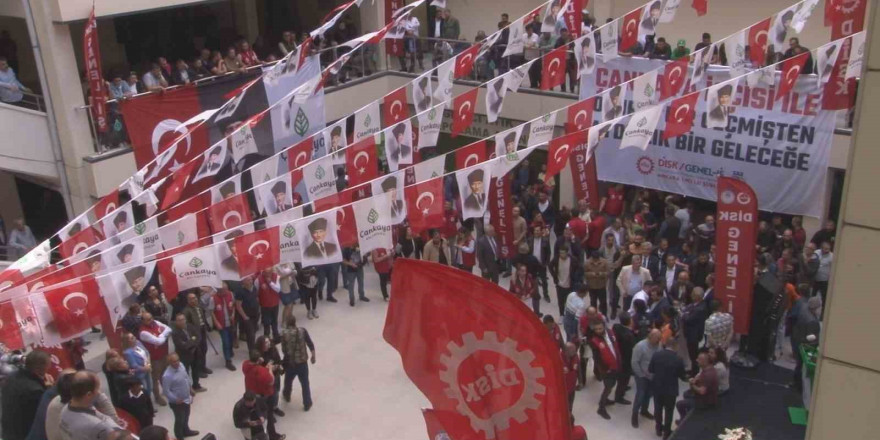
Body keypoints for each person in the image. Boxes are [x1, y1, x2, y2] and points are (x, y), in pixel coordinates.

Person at [1, 349, 51, 440]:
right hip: (24, 434)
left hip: (8, 431)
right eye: (48, 365)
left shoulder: (12, 376)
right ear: (41, 368)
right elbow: (43, 415)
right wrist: (49, 390)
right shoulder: (35, 391)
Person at [58, 372, 121, 440]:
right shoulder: (97, 426)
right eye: (97, 388)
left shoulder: (64, 410)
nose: (99, 392)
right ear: (88, 395)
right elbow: (114, 427)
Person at [242, 350, 285, 440]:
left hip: (251, 393)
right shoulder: (261, 371)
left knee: (254, 415)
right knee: (267, 414)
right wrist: (269, 369)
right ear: (258, 360)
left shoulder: (245, 365)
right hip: (262, 396)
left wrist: (262, 366)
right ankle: (273, 436)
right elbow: (271, 381)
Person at [649, 338, 687, 439]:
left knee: (658, 409)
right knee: (669, 411)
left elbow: (650, 369)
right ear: (675, 346)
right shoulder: (678, 359)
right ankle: (666, 433)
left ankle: (658, 429)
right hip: (670, 390)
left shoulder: (656, 355)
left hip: (657, 388)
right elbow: (682, 376)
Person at [586, 319, 622, 420]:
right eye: (596, 329)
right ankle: (601, 407)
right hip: (607, 370)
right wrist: (605, 370)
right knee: (608, 387)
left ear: (604, 327)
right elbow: (597, 358)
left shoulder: (610, 333)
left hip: (616, 365)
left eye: (600, 328)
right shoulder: (594, 341)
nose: (598, 330)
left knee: (612, 385)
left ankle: (605, 400)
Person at [281, 316, 315, 411]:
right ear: (295, 322)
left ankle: (287, 395)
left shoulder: (284, 334)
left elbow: (284, 349)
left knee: (288, 380)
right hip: (302, 363)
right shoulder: (302, 331)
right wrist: (313, 356)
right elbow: (310, 343)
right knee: (305, 383)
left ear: (287, 323)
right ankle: (307, 403)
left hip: (291, 363)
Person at [138, 312, 172, 406]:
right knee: (155, 378)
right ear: (143, 321)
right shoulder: (143, 332)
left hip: (164, 354)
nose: (151, 320)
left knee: (165, 375)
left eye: (151, 317)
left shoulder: (156, 322)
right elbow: (158, 342)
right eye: (148, 319)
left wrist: (161, 336)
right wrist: (163, 335)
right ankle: (157, 397)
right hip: (154, 358)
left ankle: (166, 391)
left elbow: (169, 329)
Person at [162, 353, 198, 439]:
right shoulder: (167, 376)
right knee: (179, 420)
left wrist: (190, 388)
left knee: (186, 415)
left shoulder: (181, 366)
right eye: (174, 361)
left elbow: (186, 377)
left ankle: (186, 431)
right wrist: (175, 399)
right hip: (177, 402)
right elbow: (166, 391)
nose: (177, 363)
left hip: (186, 398)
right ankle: (179, 436)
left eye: (178, 360)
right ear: (169, 363)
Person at [675, 352, 719, 420]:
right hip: (705, 397)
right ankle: (689, 414)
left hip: (705, 401)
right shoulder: (709, 369)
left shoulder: (708, 375)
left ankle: (683, 420)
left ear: (704, 362)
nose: (696, 360)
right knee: (686, 394)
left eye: (699, 359)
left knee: (679, 404)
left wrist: (692, 384)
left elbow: (702, 391)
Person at [631, 329, 661, 428]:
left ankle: (644, 411)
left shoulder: (658, 345)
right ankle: (634, 414)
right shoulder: (640, 346)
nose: (658, 341)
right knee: (640, 395)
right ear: (650, 336)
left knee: (648, 394)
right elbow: (634, 362)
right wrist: (641, 375)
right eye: (657, 338)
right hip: (642, 376)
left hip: (653, 376)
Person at [792, 296, 822, 390]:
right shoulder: (812, 322)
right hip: (804, 346)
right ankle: (799, 387)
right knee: (803, 368)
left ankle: (795, 383)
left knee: (798, 365)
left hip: (797, 340)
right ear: (815, 308)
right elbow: (812, 340)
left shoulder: (804, 308)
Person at [171, 313, 206, 392]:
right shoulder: (175, 333)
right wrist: (192, 341)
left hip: (195, 353)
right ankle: (188, 389)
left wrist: (191, 342)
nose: (182, 322)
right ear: (176, 322)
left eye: (183, 319)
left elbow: (198, 336)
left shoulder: (190, 326)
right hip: (184, 356)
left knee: (195, 370)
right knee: (185, 373)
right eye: (179, 320)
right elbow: (182, 345)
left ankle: (196, 386)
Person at [182, 293, 212, 378]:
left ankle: (203, 367)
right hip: (195, 334)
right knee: (198, 352)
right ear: (188, 300)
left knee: (204, 349)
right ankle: (198, 370)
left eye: (195, 298)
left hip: (202, 330)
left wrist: (207, 326)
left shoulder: (199, 307)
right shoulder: (186, 311)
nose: (194, 300)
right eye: (191, 299)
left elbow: (203, 318)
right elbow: (187, 325)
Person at [682, 288, 709, 374]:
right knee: (692, 354)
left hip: (694, 335)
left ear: (697, 297)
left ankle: (695, 372)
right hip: (690, 333)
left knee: (693, 355)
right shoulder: (696, 304)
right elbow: (687, 309)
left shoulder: (700, 309)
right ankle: (693, 369)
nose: (691, 296)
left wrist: (683, 315)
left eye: (693, 295)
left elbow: (688, 319)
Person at [213, 281, 238, 371]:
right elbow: (211, 311)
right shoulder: (213, 298)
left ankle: (230, 351)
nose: (225, 291)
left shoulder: (230, 294)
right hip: (221, 324)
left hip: (230, 322)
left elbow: (234, 305)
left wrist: (233, 314)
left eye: (226, 289)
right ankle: (228, 360)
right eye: (223, 290)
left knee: (231, 339)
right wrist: (216, 323)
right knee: (225, 341)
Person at [612, 312, 636, 404]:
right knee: (624, 378)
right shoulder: (628, 336)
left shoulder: (616, 327)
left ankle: (623, 388)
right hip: (626, 360)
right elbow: (631, 349)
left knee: (622, 377)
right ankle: (619, 396)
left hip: (619, 356)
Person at [121, 332, 153, 400]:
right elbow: (134, 366)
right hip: (140, 374)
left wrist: (149, 364)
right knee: (144, 390)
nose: (135, 338)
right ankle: (145, 403)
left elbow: (146, 352)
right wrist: (145, 368)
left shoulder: (138, 343)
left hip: (147, 368)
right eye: (132, 338)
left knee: (150, 387)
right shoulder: (128, 353)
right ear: (128, 341)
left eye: (134, 336)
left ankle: (149, 400)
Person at [551, 246, 580, 316]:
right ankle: (561, 315)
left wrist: (575, 278)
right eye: (560, 253)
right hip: (560, 284)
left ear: (567, 253)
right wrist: (554, 276)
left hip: (570, 285)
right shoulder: (556, 259)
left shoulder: (573, 260)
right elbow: (550, 266)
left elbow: (579, 269)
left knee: (570, 302)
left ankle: (569, 315)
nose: (561, 255)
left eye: (563, 253)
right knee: (560, 301)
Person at [235, 276, 261, 353]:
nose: (251, 281)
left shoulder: (254, 288)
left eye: (251, 279)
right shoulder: (240, 291)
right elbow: (238, 305)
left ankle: (253, 347)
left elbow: (256, 298)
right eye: (248, 280)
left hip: (255, 314)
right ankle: (252, 351)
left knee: (254, 330)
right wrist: (244, 316)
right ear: (243, 281)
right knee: (250, 334)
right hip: (247, 317)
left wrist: (258, 308)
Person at [255, 269, 282, 340]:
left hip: (275, 303)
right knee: (266, 322)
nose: (268, 274)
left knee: (274, 321)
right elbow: (256, 292)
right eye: (266, 272)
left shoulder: (276, 277)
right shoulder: (258, 280)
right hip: (264, 305)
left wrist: (270, 283)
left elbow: (278, 289)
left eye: (270, 272)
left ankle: (276, 336)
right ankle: (266, 338)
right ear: (263, 272)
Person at [584, 250, 610, 315]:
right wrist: (591, 274)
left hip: (601, 286)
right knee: (593, 302)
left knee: (603, 302)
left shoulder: (604, 262)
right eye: (594, 259)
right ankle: (594, 315)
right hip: (591, 286)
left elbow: (608, 273)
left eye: (597, 259)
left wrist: (601, 274)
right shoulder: (587, 263)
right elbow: (584, 273)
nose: (595, 261)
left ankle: (604, 315)